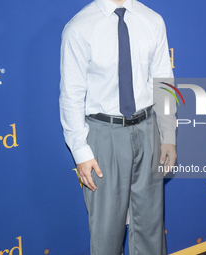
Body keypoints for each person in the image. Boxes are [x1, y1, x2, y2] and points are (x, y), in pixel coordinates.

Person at [59, 0, 177, 254]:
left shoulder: (152, 20)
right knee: (106, 232)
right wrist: (81, 151)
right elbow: (71, 96)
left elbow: (163, 82)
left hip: (148, 130)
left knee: (151, 227)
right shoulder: (79, 27)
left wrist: (168, 135)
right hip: (103, 136)